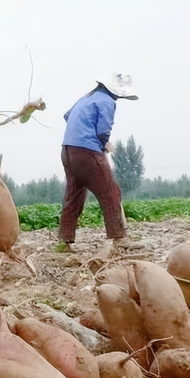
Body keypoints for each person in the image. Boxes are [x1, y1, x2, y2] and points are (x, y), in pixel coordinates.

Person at [58, 73, 138, 250]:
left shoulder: (86, 98)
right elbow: (103, 130)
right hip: (87, 151)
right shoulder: (107, 101)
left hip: (68, 150)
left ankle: (64, 241)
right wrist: (104, 143)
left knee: (73, 196)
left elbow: (67, 116)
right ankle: (120, 238)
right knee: (111, 193)